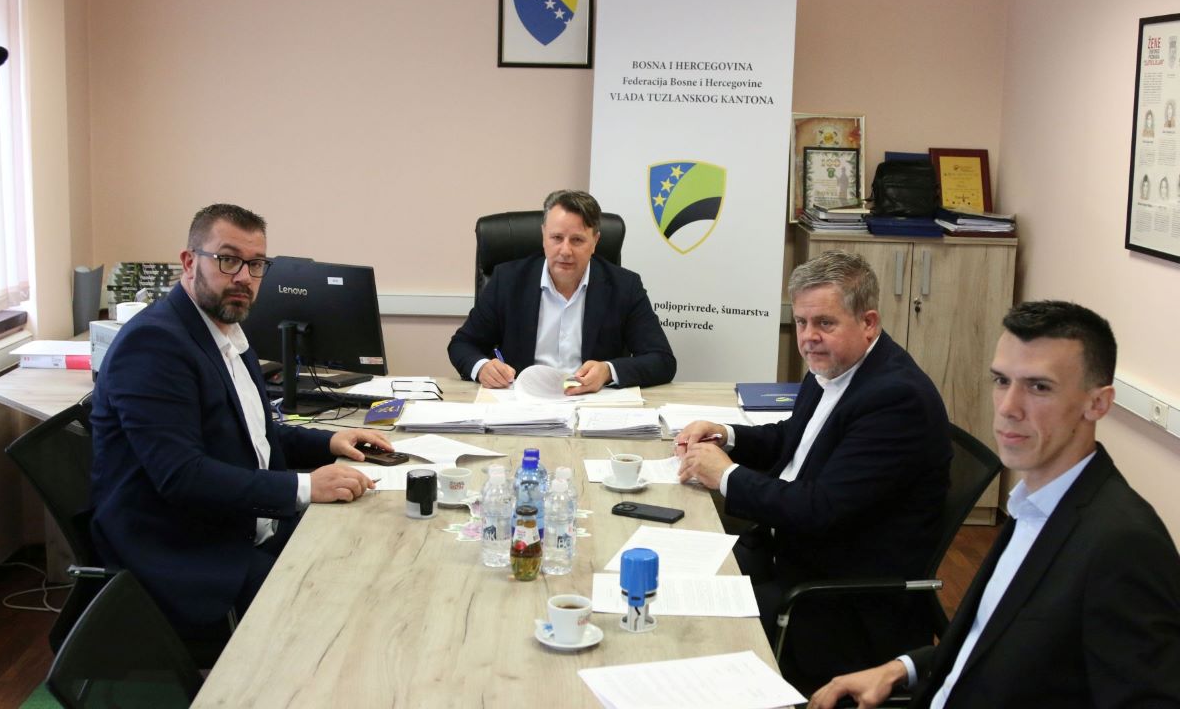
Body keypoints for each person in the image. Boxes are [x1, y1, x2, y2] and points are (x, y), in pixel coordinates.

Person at [808, 300, 1180, 709]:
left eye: (1039, 387)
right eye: (1002, 381)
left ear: (1098, 404)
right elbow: (998, 640)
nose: (1008, 407)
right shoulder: (1034, 506)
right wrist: (903, 667)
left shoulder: (1124, 544)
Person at [89, 204, 390, 631]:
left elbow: (252, 432)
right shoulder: (155, 344)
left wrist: (327, 442)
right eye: (228, 260)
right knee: (333, 608)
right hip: (186, 549)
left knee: (369, 552)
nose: (244, 277)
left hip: (241, 523)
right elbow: (182, 476)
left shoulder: (226, 330)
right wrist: (305, 486)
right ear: (189, 262)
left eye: (256, 264)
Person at [675, 250, 951, 694]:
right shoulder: (836, 364)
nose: (808, 338)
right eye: (801, 322)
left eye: (824, 323)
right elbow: (794, 439)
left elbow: (819, 509)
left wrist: (726, 476)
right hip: (784, 552)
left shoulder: (896, 399)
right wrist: (727, 435)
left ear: (869, 323)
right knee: (670, 578)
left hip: (834, 596)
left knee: (692, 630)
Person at [447, 189, 676, 393]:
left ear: (595, 241)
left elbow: (662, 360)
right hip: (524, 405)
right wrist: (482, 367)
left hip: (591, 405)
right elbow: (462, 344)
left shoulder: (625, 286)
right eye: (557, 238)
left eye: (577, 240)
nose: (565, 251)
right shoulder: (507, 280)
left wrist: (608, 371)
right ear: (543, 236)